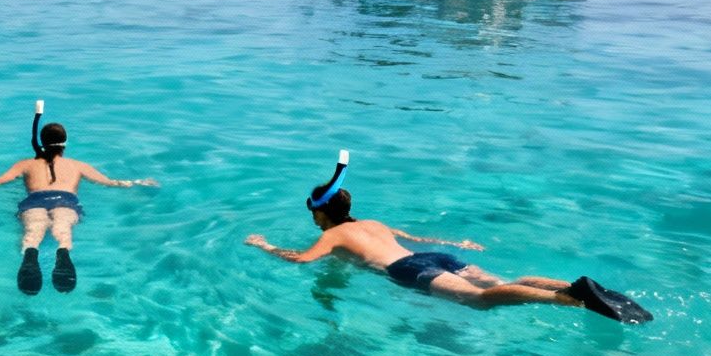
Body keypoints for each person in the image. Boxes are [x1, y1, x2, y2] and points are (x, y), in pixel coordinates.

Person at [244, 151, 651, 322]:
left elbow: (301, 259)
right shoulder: (374, 224)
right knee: (497, 282)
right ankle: (571, 285)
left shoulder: (334, 236)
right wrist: (458, 245)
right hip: (435, 255)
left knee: (479, 301)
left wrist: (264, 246)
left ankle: (567, 299)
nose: (313, 220)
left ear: (321, 212)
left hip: (408, 269)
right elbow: (413, 235)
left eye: (313, 213)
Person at [0, 101, 157, 294]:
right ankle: (63, 251)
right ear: (64, 144)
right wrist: (140, 182)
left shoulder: (26, 164)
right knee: (62, 230)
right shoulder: (78, 165)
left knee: (33, 231)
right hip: (66, 201)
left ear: (43, 143)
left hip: (34, 202)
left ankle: (30, 253)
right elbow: (111, 183)